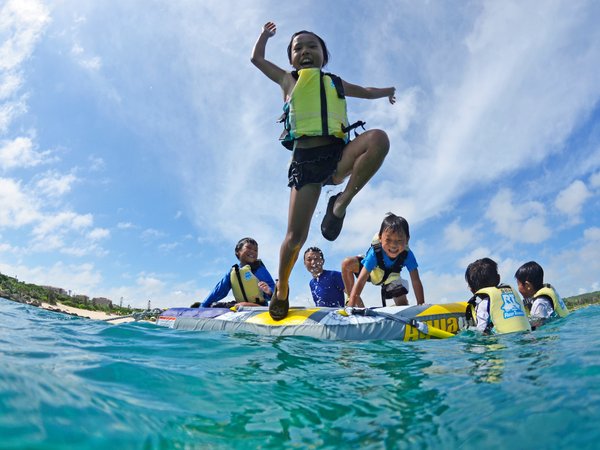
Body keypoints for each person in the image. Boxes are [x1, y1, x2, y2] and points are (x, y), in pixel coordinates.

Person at [251, 22, 396, 320]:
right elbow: (257, 60)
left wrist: (387, 91)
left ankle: (339, 204)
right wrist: (264, 37)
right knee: (295, 238)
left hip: (338, 156)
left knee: (379, 139)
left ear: (323, 55)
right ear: (291, 58)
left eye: (312, 46)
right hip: (306, 163)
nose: (305, 51)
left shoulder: (336, 83)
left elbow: (366, 92)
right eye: (297, 48)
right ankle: (282, 289)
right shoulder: (287, 80)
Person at [343, 213, 425, 308]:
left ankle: (395, 307)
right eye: (388, 240)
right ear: (380, 237)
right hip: (373, 272)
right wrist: (351, 307)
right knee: (347, 263)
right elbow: (361, 280)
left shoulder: (408, 255)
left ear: (407, 240)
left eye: (399, 240)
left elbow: (415, 280)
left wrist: (421, 305)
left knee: (402, 306)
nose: (393, 245)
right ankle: (353, 302)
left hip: (392, 278)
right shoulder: (374, 253)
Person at [197, 238, 275, 308]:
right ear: (238, 251)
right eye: (249, 248)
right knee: (214, 305)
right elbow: (219, 291)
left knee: (239, 305)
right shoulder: (233, 271)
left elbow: (274, 290)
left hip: (258, 306)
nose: (253, 252)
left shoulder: (259, 269)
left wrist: (269, 291)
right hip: (239, 305)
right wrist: (203, 306)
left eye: (255, 250)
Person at [464, 258, 530, 335]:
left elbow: (481, 332)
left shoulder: (483, 305)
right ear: (498, 278)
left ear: (472, 289)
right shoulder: (512, 296)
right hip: (526, 336)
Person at [514, 261, 569, 328]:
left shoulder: (539, 303)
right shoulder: (544, 298)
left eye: (518, 284)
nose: (518, 288)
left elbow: (538, 329)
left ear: (527, 286)